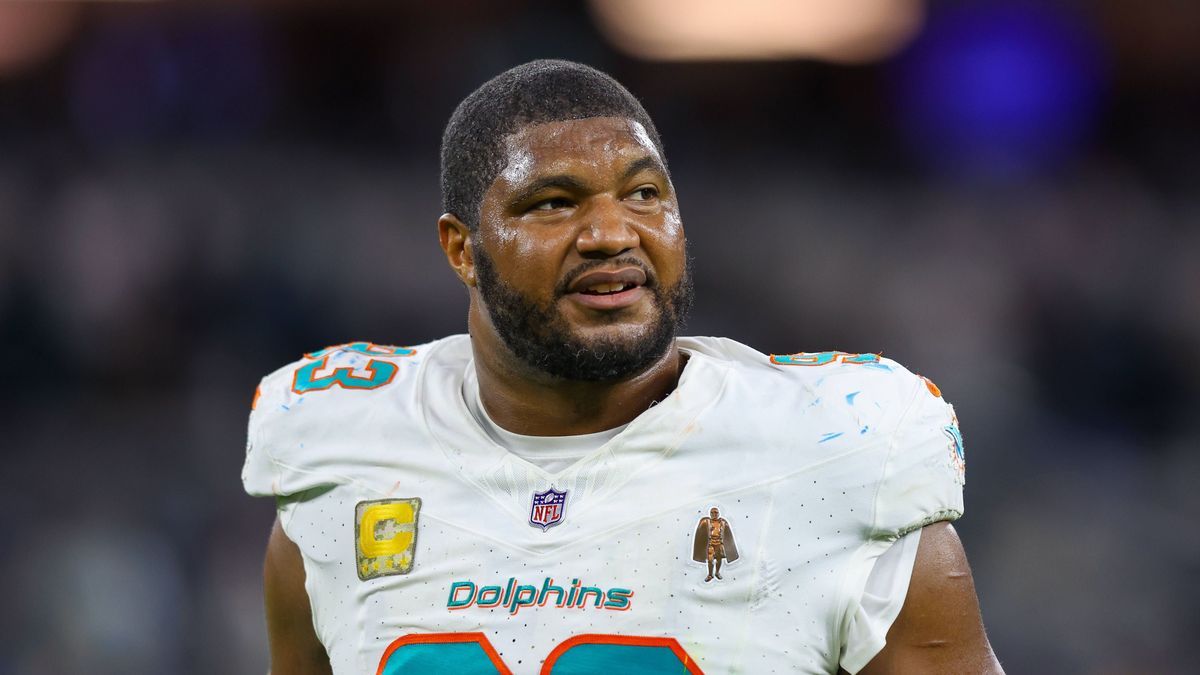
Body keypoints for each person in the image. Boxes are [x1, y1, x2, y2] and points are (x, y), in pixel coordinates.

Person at [244, 59, 1003, 674]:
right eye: (552, 202)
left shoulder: (842, 456)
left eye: (644, 193)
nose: (612, 232)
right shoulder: (344, 456)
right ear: (461, 249)